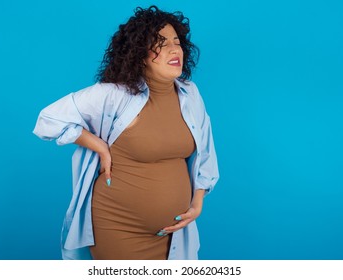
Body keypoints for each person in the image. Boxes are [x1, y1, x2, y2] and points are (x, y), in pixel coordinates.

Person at [33, 5, 219, 260]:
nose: (174, 49)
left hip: (175, 234)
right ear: (140, 54)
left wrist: (197, 202)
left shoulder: (191, 94)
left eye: (176, 41)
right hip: (118, 228)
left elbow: (206, 153)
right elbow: (48, 119)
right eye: (161, 44)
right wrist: (98, 145)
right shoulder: (114, 94)